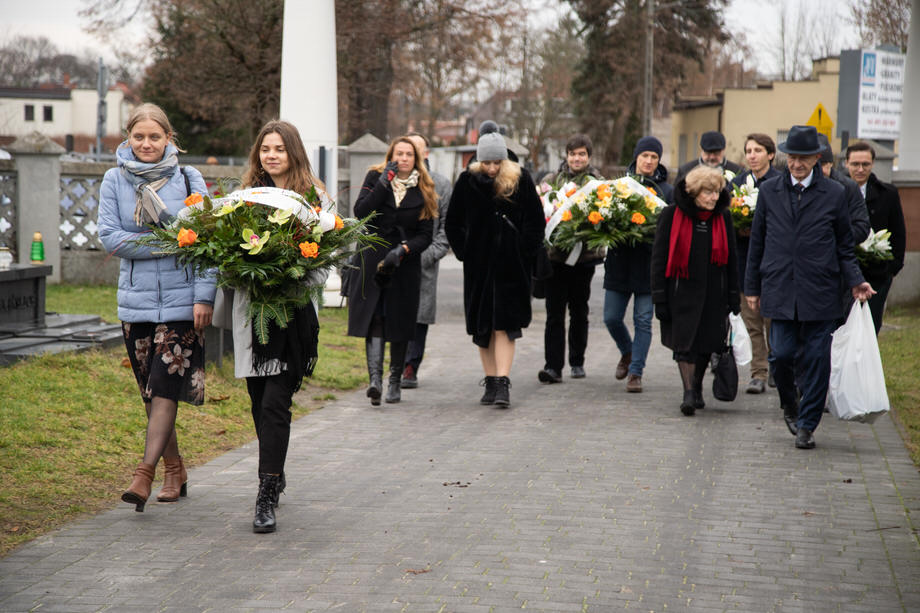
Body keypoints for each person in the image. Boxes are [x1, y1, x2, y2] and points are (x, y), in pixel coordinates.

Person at [98, 103, 215, 512]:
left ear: (169, 139)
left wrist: (205, 296)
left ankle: (144, 473)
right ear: (128, 139)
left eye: (155, 137)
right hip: (137, 305)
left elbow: (205, 241)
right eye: (139, 137)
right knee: (151, 393)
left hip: (183, 303)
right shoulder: (114, 179)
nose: (147, 144)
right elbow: (111, 239)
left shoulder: (189, 178)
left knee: (165, 386)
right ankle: (175, 468)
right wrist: (170, 240)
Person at [745, 125, 874, 449]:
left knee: (817, 358)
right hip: (780, 287)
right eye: (792, 157)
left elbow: (845, 245)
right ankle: (789, 403)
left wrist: (856, 280)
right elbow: (757, 242)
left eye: (803, 158)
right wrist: (752, 287)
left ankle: (807, 424)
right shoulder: (771, 191)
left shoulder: (834, 194)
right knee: (782, 356)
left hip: (821, 290)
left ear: (816, 158)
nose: (797, 163)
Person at [236, 119, 328, 533]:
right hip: (253, 315)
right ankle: (274, 468)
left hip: (292, 316)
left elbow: (328, 258)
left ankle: (266, 492)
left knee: (275, 402)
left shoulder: (315, 198)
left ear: (293, 152)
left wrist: (292, 275)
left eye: (279, 149)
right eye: (265, 149)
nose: (271, 155)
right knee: (258, 402)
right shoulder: (244, 200)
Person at [445, 125, 545, 407]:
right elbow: (452, 222)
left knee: (505, 326)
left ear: (505, 159)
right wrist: (465, 251)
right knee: (483, 327)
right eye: (486, 162)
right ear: (479, 160)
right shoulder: (467, 181)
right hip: (478, 268)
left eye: (496, 162)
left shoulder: (519, 179)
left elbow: (536, 222)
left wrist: (523, 250)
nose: (491, 168)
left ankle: (503, 382)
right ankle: (490, 381)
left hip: (511, 268)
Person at [346, 136, 436, 405]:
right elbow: (361, 211)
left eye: (409, 154)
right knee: (374, 318)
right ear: (391, 156)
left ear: (416, 158)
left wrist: (404, 250)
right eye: (399, 153)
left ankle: (395, 380)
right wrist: (384, 183)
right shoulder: (375, 177)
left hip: (404, 265)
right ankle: (375, 381)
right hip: (372, 259)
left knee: (398, 322)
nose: (404, 158)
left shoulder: (425, 186)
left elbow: (426, 234)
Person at [651, 165, 739, 416]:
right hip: (680, 293)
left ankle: (697, 385)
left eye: (716, 192)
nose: (713, 197)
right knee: (684, 345)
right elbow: (658, 259)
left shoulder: (723, 218)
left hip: (714, 294)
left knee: (705, 345)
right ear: (694, 193)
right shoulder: (671, 215)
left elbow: (732, 259)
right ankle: (688, 392)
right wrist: (659, 297)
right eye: (707, 192)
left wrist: (734, 295)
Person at [604, 136, 673, 393]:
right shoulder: (620, 186)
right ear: (636, 158)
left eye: (654, 157)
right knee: (611, 317)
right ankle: (628, 352)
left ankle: (636, 373)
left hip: (649, 266)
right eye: (645, 156)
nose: (649, 161)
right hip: (620, 263)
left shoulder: (667, 192)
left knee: (643, 320)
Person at [537, 134, 605, 384]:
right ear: (566, 156)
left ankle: (577, 361)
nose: (577, 158)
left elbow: (603, 218)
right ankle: (553, 366)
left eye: (581, 154)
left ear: (588, 156)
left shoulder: (597, 183)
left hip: (583, 258)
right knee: (554, 313)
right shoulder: (551, 181)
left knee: (579, 311)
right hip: (555, 258)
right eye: (572, 154)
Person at [400, 132, 451, 389]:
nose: (411, 156)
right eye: (407, 150)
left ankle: (411, 365)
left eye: (417, 150)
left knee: (419, 315)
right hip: (397, 260)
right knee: (396, 313)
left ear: (426, 153)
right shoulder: (391, 182)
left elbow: (446, 230)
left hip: (424, 262)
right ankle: (394, 364)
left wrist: (427, 256)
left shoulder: (440, 185)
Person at [730, 133, 780, 394]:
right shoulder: (736, 184)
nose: (752, 155)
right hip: (744, 261)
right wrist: (739, 228)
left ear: (770, 154)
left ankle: (777, 366)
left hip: (773, 264)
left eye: (758, 150)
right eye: (748, 150)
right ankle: (758, 373)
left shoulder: (780, 184)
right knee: (752, 323)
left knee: (773, 322)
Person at [846, 141, 907, 334]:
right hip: (845, 271)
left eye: (865, 164)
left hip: (878, 272)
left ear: (872, 164)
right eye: (855, 164)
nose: (860, 169)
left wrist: (892, 267)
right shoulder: (836, 192)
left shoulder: (887, 193)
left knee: (871, 326)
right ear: (846, 163)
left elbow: (898, 232)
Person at [817, 134, 871, 245]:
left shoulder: (847, 187)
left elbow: (861, 227)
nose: (818, 171)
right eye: (814, 165)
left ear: (831, 164)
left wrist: (830, 237)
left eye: (822, 165)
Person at [675, 131, 742, 185]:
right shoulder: (686, 171)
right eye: (708, 153)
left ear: (723, 150)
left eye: (716, 153)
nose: (712, 157)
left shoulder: (737, 172)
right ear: (701, 150)